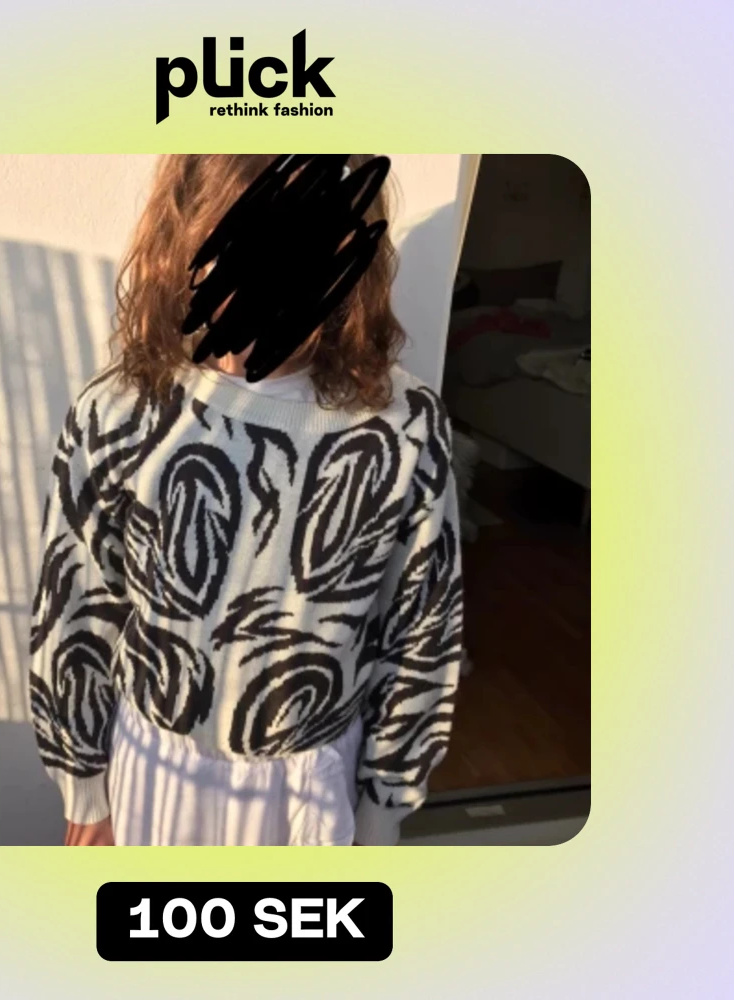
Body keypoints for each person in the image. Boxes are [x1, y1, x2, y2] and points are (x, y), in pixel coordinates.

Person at [28, 154, 464, 847]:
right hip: (157, 772)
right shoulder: (121, 413)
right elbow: (77, 605)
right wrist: (82, 785)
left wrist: (383, 810)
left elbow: (421, 632)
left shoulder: (401, 428)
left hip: (311, 782)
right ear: (186, 235)